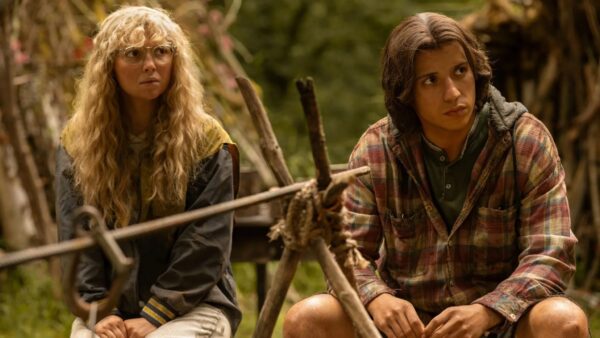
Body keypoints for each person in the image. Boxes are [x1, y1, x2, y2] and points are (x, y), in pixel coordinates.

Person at [284, 12, 589, 338]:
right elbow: (346, 252)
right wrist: (377, 297)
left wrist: (487, 310)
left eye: (460, 72)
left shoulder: (524, 142)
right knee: (308, 319)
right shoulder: (377, 150)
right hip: (405, 327)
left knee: (563, 321)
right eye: (431, 80)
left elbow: (551, 254)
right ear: (405, 92)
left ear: (477, 73)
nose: (453, 93)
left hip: (501, 323)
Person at [56, 6, 240, 338]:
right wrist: (99, 309)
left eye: (161, 52)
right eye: (134, 54)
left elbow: (206, 242)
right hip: (109, 308)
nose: (150, 64)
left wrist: (157, 313)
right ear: (109, 65)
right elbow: (76, 235)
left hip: (194, 306)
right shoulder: (79, 142)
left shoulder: (206, 140)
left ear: (176, 60)